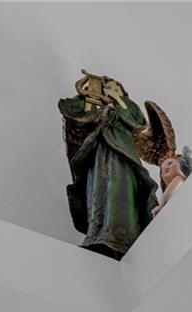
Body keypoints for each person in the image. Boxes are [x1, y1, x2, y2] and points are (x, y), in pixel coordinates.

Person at [58, 72, 158, 259]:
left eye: (115, 87)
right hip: (100, 154)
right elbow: (78, 115)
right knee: (100, 190)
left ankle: (126, 236)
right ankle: (100, 234)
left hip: (124, 156)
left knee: (122, 191)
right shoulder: (99, 107)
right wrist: (88, 95)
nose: (110, 90)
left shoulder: (127, 106)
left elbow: (139, 123)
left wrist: (118, 101)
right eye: (107, 88)